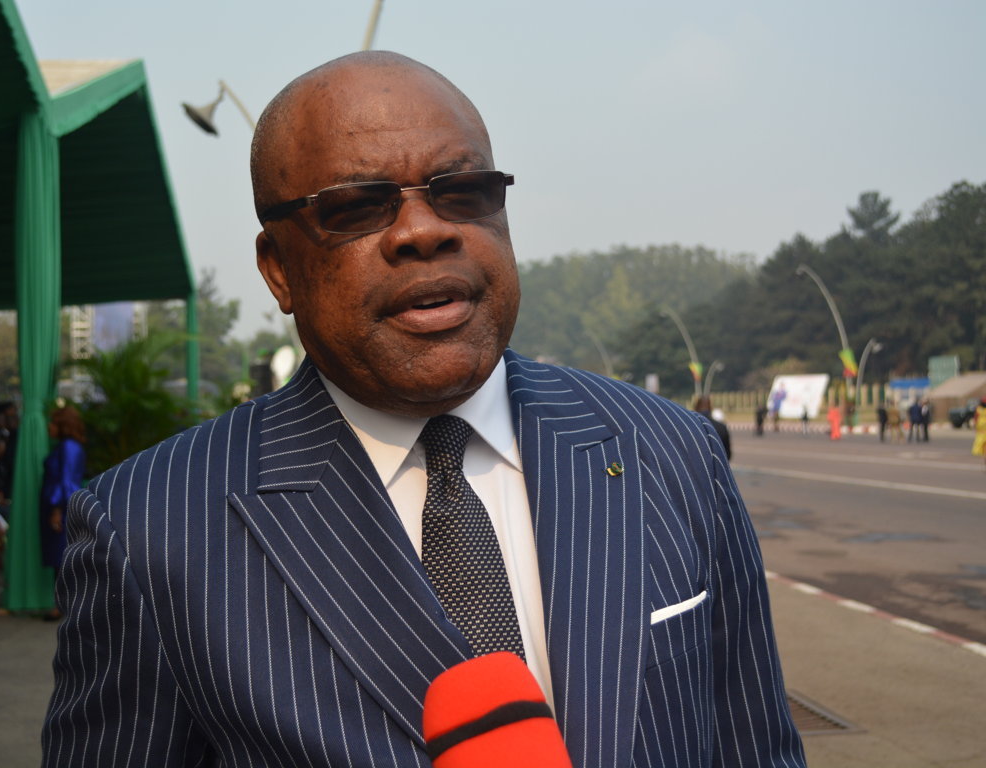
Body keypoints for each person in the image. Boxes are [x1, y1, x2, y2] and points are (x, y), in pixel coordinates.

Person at [43, 52, 804, 767]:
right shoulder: (148, 531)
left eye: (462, 192)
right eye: (356, 207)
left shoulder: (672, 452)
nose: (423, 230)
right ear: (278, 270)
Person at [39, 406, 86, 572]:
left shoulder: (68, 446)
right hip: (58, 509)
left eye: (53, 423)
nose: (49, 426)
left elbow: (66, 481)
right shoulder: (66, 446)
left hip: (61, 512)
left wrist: (57, 510)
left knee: (63, 562)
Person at [972, 398, 986, 470]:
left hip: (981, 431)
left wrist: (974, 425)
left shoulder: (978, 409)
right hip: (981, 430)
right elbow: (976, 418)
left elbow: (975, 418)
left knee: (981, 446)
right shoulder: (978, 409)